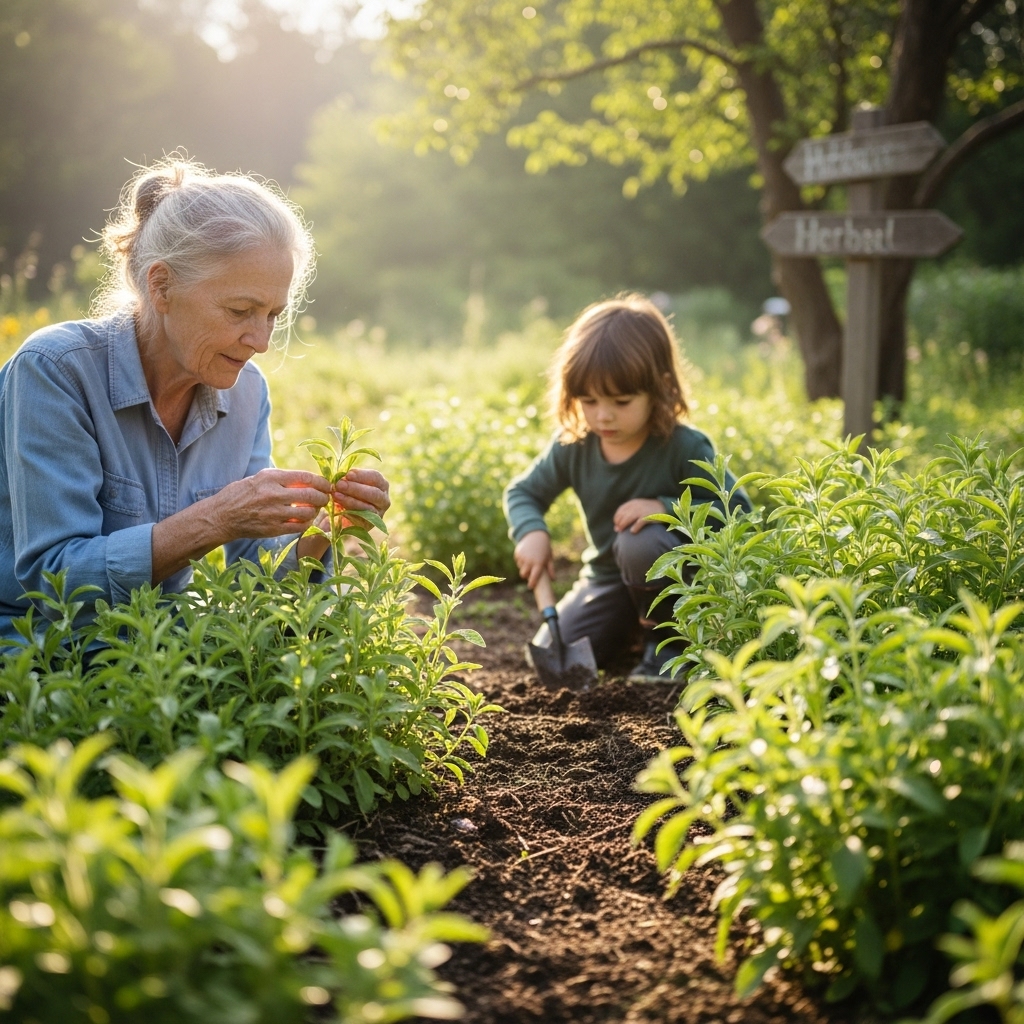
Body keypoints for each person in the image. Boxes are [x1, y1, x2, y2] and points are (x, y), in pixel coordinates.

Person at [0, 157, 390, 641]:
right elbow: (54, 582)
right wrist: (215, 519)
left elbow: (256, 583)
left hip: (159, 660)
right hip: (37, 655)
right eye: (240, 310)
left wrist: (323, 530)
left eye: (273, 314)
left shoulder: (247, 391)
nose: (261, 340)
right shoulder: (55, 371)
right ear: (161, 286)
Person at [503, 294, 750, 681]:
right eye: (589, 400)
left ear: (661, 388)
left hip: (677, 586)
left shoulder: (684, 447)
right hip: (607, 581)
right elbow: (523, 492)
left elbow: (739, 514)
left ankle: (669, 646)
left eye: (621, 400)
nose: (603, 414)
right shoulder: (574, 445)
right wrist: (530, 532)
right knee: (551, 652)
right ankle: (630, 628)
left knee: (641, 541)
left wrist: (668, 508)